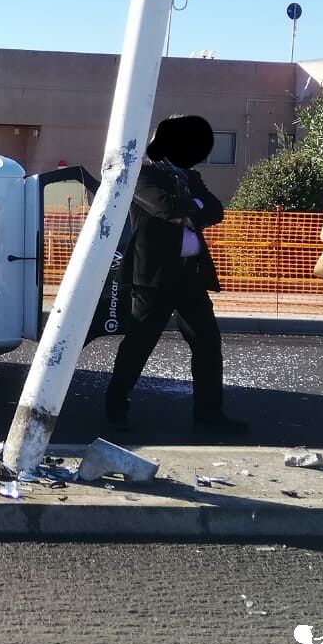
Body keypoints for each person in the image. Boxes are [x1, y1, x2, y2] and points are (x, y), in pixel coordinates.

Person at [105, 114, 244, 432]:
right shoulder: (141, 175)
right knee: (140, 343)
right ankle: (116, 403)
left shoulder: (190, 177)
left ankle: (209, 413)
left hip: (190, 276)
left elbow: (215, 210)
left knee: (207, 343)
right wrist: (190, 209)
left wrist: (187, 209)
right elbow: (164, 208)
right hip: (153, 278)